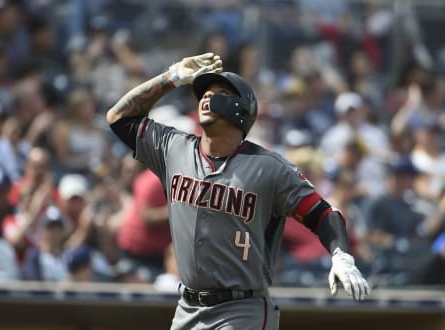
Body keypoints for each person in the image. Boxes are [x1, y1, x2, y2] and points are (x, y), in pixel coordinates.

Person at [106, 53, 370, 330]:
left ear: (240, 108)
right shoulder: (173, 148)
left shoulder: (270, 167)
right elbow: (118, 117)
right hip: (188, 307)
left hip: (242, 308)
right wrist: (170, 78)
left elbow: (322, 213)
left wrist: (341, 256)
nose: (206, 98)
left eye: (219, 93)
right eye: (203, 94)